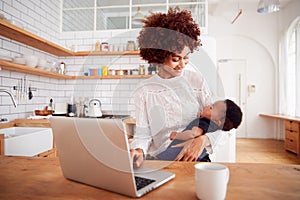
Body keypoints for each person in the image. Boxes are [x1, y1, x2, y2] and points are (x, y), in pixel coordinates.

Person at [130, 7, 222, 168]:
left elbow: (222, 122)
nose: (182, 64)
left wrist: (202, 140)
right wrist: (138, 150)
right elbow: (143, 135)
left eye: (186, 58)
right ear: (158, 56)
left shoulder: (196, 82)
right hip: (162, 161)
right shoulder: (144, 90)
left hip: (196, 160)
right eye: (175, 59)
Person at [156, 99, 243, 161]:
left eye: (211, 108)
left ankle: (155, 160)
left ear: (217, 121)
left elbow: (194, 133)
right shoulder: (213, 126)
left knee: (167, 155)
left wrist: (177, 135)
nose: (208, 106)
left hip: (184, 150)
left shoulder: (204, 122)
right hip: (201, 155)